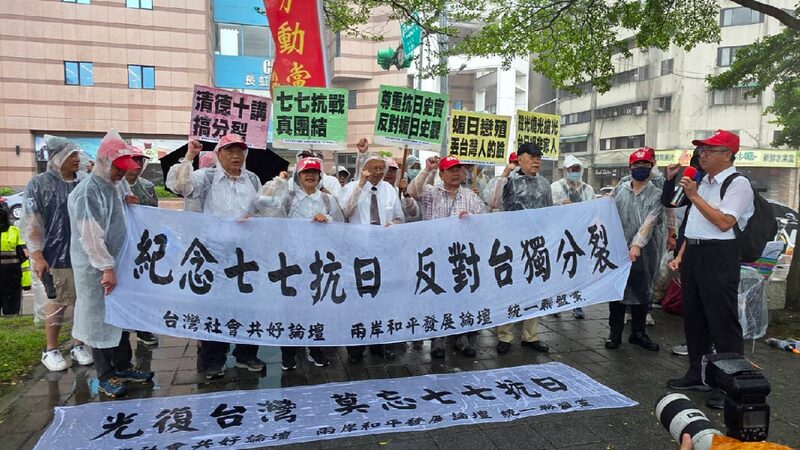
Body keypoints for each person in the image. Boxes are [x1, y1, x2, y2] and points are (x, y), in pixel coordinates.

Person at [167, 134, 267, 379]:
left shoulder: (252, 179)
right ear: (219, 154)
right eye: (230, 150)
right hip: (213, 254)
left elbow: (263, 208)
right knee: (214, 307)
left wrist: (256, 218)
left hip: (246, 255)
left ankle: (246, 354)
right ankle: (213, 360)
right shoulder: (205, 177)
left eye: (240, 151)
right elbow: (180, 186)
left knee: (247, 307)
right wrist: (190, 155)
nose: (236, 156)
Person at [666, 130, 752, 410]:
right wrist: (681, 255)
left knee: (722, 322)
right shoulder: (703, 183)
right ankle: (697, 373)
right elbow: (694, 226)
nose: (702, 155)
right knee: (695, 318)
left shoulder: (738, 184)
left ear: (727, 154)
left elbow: (724, 222)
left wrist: (695, 196)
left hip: (720, 255)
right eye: (701, 150)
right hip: (695, 252)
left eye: (709, 150)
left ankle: (729, 384)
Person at [68, 129, 154, 398]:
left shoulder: (115, 185)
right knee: (99, 320)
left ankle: (124, 366)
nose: (123, 174)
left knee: (119, 316)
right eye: (118, 168)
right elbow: (91, 236)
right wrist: (106, 267)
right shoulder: (87, 193)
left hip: (117, 263)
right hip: (96, 268)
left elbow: (119, 216)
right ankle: (106, 374)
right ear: (105, 163)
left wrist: (129, 202)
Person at [256, 157, 343, 370]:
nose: (310, 175)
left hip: (319, 263)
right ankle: (289, 352)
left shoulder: (327, 199)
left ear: (320, 176)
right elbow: (263, 204)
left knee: (316, 307)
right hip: (292, 261)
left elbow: (341, 225)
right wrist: (278, 182)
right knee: (290, 308)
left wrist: (327, 220)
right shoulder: (288, 197)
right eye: (306, 172)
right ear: (299, 176)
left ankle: (315, 349)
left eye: (314, 172)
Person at [23, 134, 93, 371]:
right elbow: (33, 222)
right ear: (56, 157)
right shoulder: (39, 184)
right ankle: (50, 348)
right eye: (72, 154)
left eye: (77, 154)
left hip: (84, 253)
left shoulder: (83, 181)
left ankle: (78, 344)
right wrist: (37, 255)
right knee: (58, 302)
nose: (77, 159)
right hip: (56, 255)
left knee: (83, 301)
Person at [407, 155, 487, 358]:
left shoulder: (470, 195)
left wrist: (473, 220)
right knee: (437, 297)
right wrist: (427, 170)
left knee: (463, 297)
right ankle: (438, 340)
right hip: (436, 255)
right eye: (451, 170)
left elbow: (486, 219)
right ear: (442, 174)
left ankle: (462, 338)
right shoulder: (431, 193)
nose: (456, 173)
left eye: (459, 169)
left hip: (462, 257)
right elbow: (411, 192)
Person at [339, 153, 404, 363]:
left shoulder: (389, 189)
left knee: (382, 300)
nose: (377, 172)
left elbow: (398, 217)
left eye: (380, 168)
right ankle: (355, 349)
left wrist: (393, 225)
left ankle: (380, 344)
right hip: (358, 253)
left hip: (383, 253)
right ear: (363, 169)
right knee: (358, 301)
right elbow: (345, 212)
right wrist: (360, 184)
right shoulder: (351, 187)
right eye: (372, 168)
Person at [488, 143, 551, 354]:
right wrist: (504, 174)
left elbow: (549, 212)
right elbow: (494, 202)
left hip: (535, 245)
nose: (537, 160)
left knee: (533, 288)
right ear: (520, 159)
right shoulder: (509, 181)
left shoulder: (544, 183)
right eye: (532, 156)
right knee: (510, 288)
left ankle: (530, 336)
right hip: (511, 244)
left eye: (539, 157)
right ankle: (504, 335)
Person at [605, 148, 663, 352]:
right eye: (637, 165)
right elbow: (604, 212)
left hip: (645, 251)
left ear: (652, 167)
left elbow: (650, 222)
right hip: (618, 249)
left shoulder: (656, 194)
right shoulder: (620, 190)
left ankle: (638, 334)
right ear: (630, 168)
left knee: (642, 290)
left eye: (645, 165)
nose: (641, 169)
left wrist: (637, 244)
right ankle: (615, 333)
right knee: (617, 293)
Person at [117, 145, 160, 347]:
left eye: (141, 160)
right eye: (135, 160)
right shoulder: (115, 185)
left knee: (144, 288)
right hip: (121, 244)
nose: (138, 165)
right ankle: (122, 331)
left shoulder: (147, 186)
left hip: (143, 245)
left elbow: (155, 213)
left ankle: (144, 329)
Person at [550, 155, 596, 320]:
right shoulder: (555, 188)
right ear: (565, 170)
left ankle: (577, 304)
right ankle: (557, 303)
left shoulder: (588, 189)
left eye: (577, 169)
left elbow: (593, 211)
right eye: (572, 170)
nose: (575, 172)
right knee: (559, 270)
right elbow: (547, 210)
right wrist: (561, 204)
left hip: (581, 237)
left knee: (579, 271)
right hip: (560, 236)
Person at [1, 201, 27, 315]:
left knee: (11, 317)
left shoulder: (15, 232)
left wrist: (26, 283)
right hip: (12, 279)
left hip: (11, 281)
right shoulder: (15, 232)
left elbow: (24, 260)